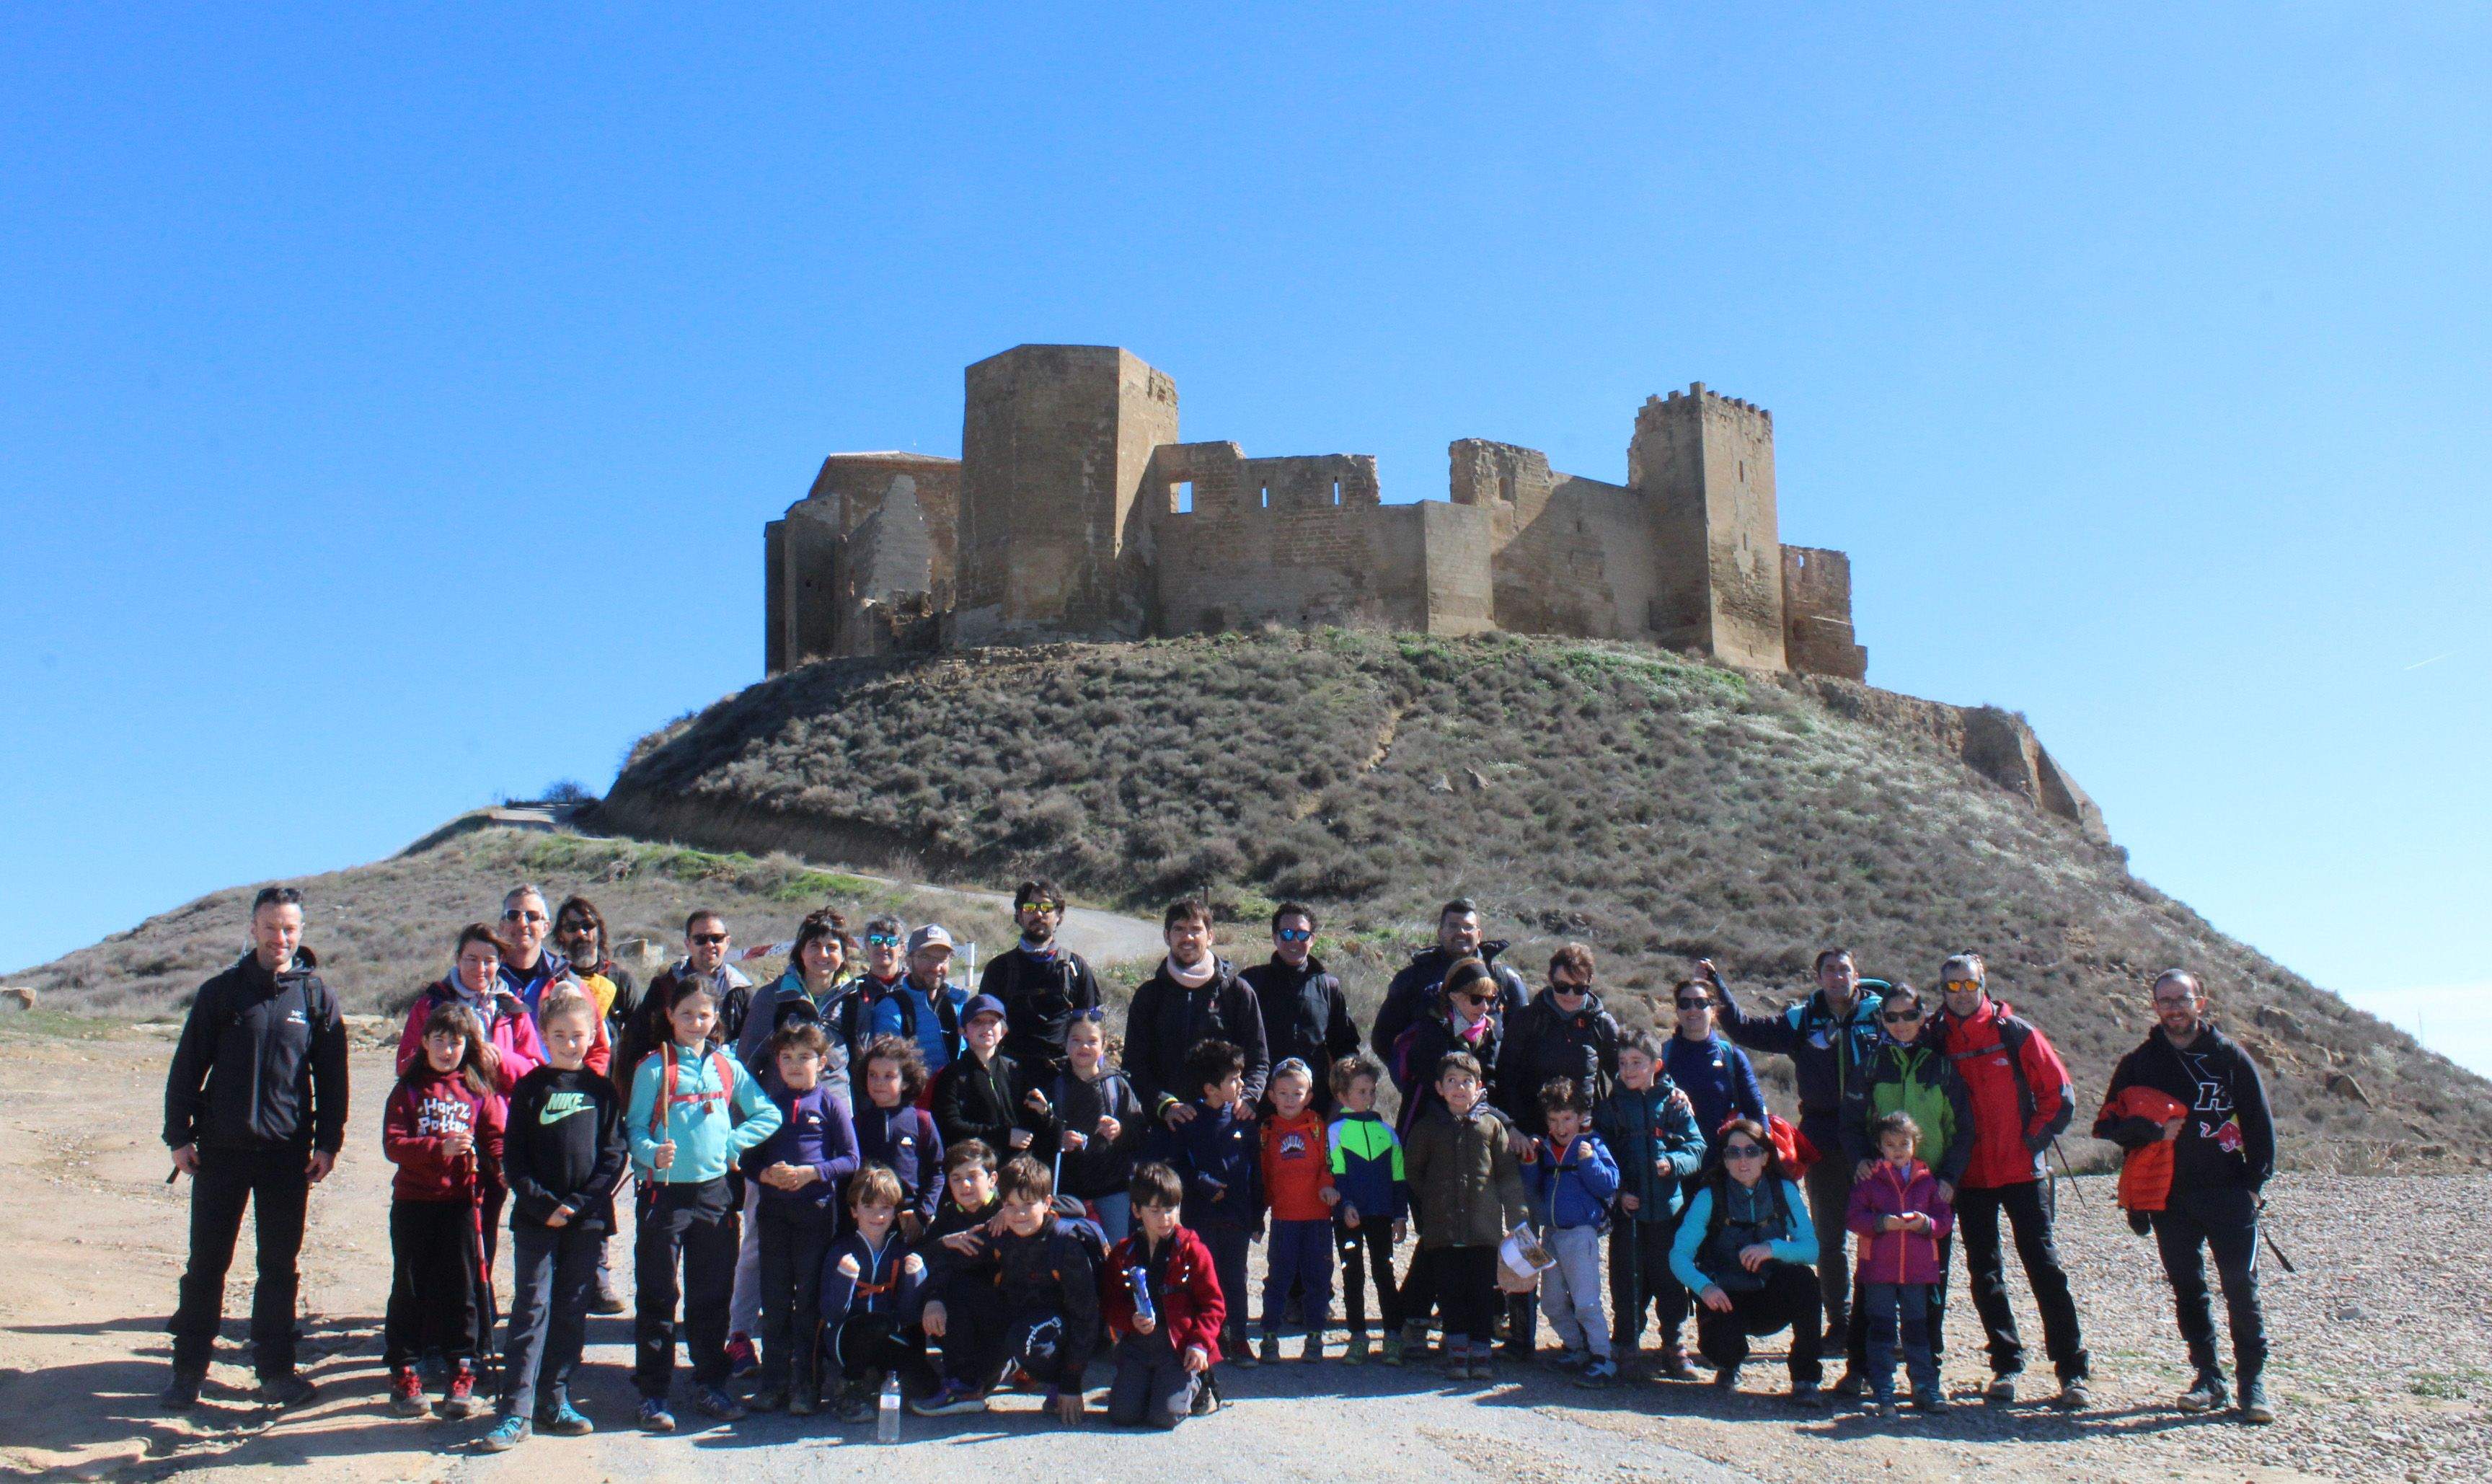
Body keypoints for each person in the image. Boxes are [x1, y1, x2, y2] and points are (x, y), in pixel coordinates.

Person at [160, 885, 348, 1410]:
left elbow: (333, 1080)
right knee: (206, 1264)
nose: (279, 937)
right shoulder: (221, 993)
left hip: (287, 1156)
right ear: (252, 929)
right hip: (220, 1152)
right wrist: (178, 1136)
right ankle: (188, 1371)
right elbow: (187, 1068)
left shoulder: (315, 998)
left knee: (278, 1266)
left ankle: (276, 1370)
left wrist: (328, 1143)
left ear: (301, 932)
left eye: (289, 928)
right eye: (270, 927)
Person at [2093, 969, 2276, 1425]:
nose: (2174, 1008)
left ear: (2202, 1001)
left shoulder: (2230, 1057)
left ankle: (2252, 1384)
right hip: (2168, 1195)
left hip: (2229, 1191)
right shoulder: (2140, 1062)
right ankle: (2208, 1377)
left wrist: (2255, 1185)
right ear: (2155, 1007)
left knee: (2241, 1287)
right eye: (2165, 1001)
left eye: (2182, 999)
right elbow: (2108, 1125)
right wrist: (2152, 1130)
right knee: (2188, 1288)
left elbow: (2259, 1123)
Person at [1710, 949, 1882, 1387]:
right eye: (1829, 970)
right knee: (1828, 1239)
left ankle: (1880, 1324)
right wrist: (1720, 992)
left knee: (1879, 1236)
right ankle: (1840, 1323)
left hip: (1876, 1137)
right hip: (1823, 1137)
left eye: (1844, 969)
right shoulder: (1804, 1018)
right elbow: (1747, 1029)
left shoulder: (1880, 1014)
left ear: (1856, 974)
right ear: (1819, 976)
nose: (1837, 977)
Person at [1931, 951, 2090, 1408]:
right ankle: (2006, 1363)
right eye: (1953, 986)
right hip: (1972, 1177)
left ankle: (2072, 1369)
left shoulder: (2015, 1033)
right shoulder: (1936, 1038)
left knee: (2045, 1268)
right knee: (1985, 1273)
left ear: (1984, 983)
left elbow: (2059, 1098)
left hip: (2023, 1172)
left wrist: (2030, 1144)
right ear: (1942, 991)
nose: (1962, 993)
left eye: (1969, 984)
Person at [624, 971, 782, 1431]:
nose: (696, 1021)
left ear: (717, 1019)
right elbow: (634, 1129)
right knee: (658, 1294)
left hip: (714, 1194)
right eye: (687, 1013)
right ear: (669, 1016)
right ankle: (653, 1393)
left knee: (710, 1295)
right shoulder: (653, 1067)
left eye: (705, 1014)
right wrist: (652, 1152)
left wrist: (733, 1144)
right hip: (664, 1193)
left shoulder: (726, 1066)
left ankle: (710, 1384)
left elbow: (766, 1113)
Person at [485, 984, 627, 1451]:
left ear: (593, 1037)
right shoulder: (531, 1087)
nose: (570, 1042)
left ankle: (555, 1398)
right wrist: (543, 1205)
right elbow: (515, 1158)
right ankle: (515, 1411)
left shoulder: (602, 1091)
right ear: (544, 1034)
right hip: (536, 1222)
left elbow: (613, 1156)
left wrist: (579, 1205)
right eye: (560, 1034)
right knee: (531, 1309)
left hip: (585, 1222)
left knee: (569, 1312)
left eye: (578, 1035)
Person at [1837, 981, 1972, 1379]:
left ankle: (1927, 1370)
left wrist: (1950, 1178)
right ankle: (1861, 1369)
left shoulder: (1942, 1067)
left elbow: (1962, 1129)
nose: (1901, 1024)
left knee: (1930, 1282)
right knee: (1871, 1280)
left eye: (1909, 1015)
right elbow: (1849, 1124)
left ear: (1922, 1016)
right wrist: (1862, 1160)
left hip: (1928, 1191)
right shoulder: (1871, 1066)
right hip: (1880, 1193)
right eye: (1891, 1017)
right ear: (1881, 1020)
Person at [381, 1000, 506, 1422]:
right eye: (440, 1041)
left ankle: (462, 1366)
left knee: (462, 1288)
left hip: (461, 1204)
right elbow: (394, 1144)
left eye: (456, 1042)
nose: (448, 1050)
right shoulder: (409, 1088)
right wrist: (439, 1149)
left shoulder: (477, 1089)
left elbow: (496, 1139)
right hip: (414, 1202)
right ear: (425, 1042)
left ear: (467, 1046)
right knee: (411, 1285)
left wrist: (502, 1170)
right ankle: (404, 1369)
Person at [393, 925, 539, 1278]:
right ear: (457, 959)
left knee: (485, 1220)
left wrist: (500, 1060)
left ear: (501, 963)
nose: (480, 968)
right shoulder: (432, 1003)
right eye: (471, 959)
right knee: (438, 1221)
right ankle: (433, 1302)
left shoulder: (512, 1007)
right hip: (443, 1126)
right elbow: (405, 1063)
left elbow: (536, 1069)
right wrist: (449, 1063)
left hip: (496, 1130)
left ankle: (477, 1294)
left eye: (489, 960)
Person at [913, 1155, 1103, 1420]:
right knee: (957, 1288)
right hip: (1016, 1314)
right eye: (1011, 1206)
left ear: (1047, 1204)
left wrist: (1071, 1381)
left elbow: (1086, 1316)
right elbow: (945, 1259)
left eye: (1028, 1205)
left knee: (1025, 1339)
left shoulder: (1065, 1244)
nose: (1020, 1214)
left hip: (1058, 1323)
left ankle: (1055, 1382)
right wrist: (934, 1298)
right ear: (1002, 1206)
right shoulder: (1001, 1229)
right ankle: (966, 1386)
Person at [741, 1022, 860, 1414]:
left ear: (822, 1063)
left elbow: (851, 1159)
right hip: (774, 1214)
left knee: (808, 1301)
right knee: (775, 1301)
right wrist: (764, 1174)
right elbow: (747, 1157)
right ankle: (773, 1383)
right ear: (777, 1062)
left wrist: (812, 1173)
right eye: (787, 1057)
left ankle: (805, 1386)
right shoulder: (768, 1104)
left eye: (805, 1057)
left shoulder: (830, 1104)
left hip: (816, 1214)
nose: (795, 1065)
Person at [1669, 1117, 1824, 1405]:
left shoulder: (1783, 1191)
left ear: (1766, 1157)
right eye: (1733, 1152)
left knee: (1805, 1282)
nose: (1743, 1160)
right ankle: (1728, 1366)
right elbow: (1679, 1257)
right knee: (1723, 1346)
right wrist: (1705, 1288)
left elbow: (1811, 1250)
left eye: (1751, 1151)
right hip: (1725, 1298)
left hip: (1770, 1296)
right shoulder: (1708, 1197)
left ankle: (1805, 1378)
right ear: (1724, 1160)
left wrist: (1772, 1248)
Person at [1402, 1050, 1529, 1382]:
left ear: (1479, 1087)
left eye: (1467, 1082)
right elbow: (1413, 1172)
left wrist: (1518, 1218)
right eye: (1452, 1082)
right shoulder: (1428, 1128)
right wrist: (1432, 1202)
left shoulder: (1492, 1127)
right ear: (1439, 1088)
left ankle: (1481, 1350)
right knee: (1450, 1292)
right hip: (1442, 1231)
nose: (1460, 1088)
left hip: (1483, 1231)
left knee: (1481, 1293)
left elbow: (1508, 1177)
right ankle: (1457, 1352)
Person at [1596, 1030, 1707, 1379]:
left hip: (1668, 1214)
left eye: (1637, 1063)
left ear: (1656, 1066)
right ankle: (1626, 1346)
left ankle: (1673, 1345)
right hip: (1628, 1215)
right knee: (1626, 1280)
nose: (1629, 1070)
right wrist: (1617, 1192)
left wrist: (1673, 1164)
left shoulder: (1673, 1103)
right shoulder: (1611, 1108)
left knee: (1671, 1280)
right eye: (1623, 1063)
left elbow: (1697, 1147)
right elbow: (1600, 1156)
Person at [1149, 1038, 1263, 1369]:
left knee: (1235, 1277)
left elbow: (1256, 1171)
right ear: (1211, 1088)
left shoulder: (1244, 1120)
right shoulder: (1189, 1121)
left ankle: (1238, 1338)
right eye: (1233, 1079)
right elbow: (1174, 1165)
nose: (1242, 1084)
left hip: (1237, 1216)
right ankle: (1205, 1340)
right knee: (1202, 1279)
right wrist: (1201, 1182)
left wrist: (1257, 1214)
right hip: (1200, 1217)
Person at [554, 893, 636, 1314]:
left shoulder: (619, 980)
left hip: (609, 1100)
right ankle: (557, 1278)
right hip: (559, 1098)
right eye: (571, 927)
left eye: (588, 925)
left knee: (600, 1183)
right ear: (559, 935)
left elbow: (639, 1039)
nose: (581, 934)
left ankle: (597, 1275)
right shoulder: (553, 979)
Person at [1102, 1162, 1227, 1427]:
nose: (1165, 1218)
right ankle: (1151, 1387)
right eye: (1155, 1211)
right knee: (1123, 1415)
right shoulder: (1123, 1253)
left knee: (1164, 1418)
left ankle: (1197, 1384)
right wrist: (1129, 1320)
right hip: (1138, 1347)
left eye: (1171, 1210)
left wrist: (1200, 1343)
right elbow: (1110, 1303)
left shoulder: (1193, 1251)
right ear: (1137, 1211)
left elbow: (1213, 1306)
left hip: (1179, 1348)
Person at [1845, 1110, 1953, 1416]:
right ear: (1880, 1146)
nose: (1898, 1150)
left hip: (1918, 1272)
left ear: (1914, 1144)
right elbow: (1854, 1218)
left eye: (1904, 1143)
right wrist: (1881, 1223)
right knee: (1881, 1330)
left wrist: (1925, 1224)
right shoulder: (1870, 1180)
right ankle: (1882, 1388)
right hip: (1879, 1269)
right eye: (1890, 1144)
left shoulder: (1927, 1180)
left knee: (1918, 1330)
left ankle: (1924, 1386)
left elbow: (1944, 1220)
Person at [1127, 899, 1272, 1126]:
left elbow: (1259, 1059)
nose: (1188, 938)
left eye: (1196, 930)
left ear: (1211, 936)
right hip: (1167, 1125)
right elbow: (1135, 1065)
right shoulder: (1149, 995)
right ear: (1167, 936)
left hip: (1225, 1123)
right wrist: (1164, 1104)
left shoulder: (1237, 991)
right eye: (1179, 930)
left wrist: (1247, 1097)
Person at [819, 1163, 936, 1422]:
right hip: (846, 1338)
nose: (877, 1215)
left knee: (928, 1385)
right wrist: (845, 1279)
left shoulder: (900, 1250)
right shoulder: (842, 1249)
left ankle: (877, 1383)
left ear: (895, 1212)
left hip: (886, 1333)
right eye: (868, 1207)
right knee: (876, 1326)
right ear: (853, 1211)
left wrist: (916, 1277)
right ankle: (848, 1389)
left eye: (885, 1208)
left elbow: (908, 1315)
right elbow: (831, 1313)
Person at [1526, 1077, 1622, 1384]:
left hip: (1581, 1235)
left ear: (1581, 1118)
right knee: (1552, 1302)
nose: (1561, 1127)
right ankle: (1576, 1346)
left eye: (1567, 1118)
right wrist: (1529, 1162)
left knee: (1586, 1301)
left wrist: (1589, 1162)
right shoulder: (1546, 1149)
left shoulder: (1591, 1145)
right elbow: (1533, 1189)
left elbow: (1609, 1183)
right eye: (1553, 1120)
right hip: (1550, 1234)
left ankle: (1602, 1357)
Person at [1022, 1007, 1146, 1241]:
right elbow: (1038, 1141)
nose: (1084, 1047)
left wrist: (1120, 1131)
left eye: (1092, 1041)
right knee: (1073, 1258)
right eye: (1076, 1040)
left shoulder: (1117, 1084)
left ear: (1104, 1044)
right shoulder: (1054, 1087)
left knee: (1116, 1255)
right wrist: (1060, 1140)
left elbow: (1140, 1131)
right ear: (1066, 1043)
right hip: (1068, 1192)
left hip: (1113, 1188)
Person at [1369, 898, 1528, 1072]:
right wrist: (1412, 1079)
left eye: (1468, 927)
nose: (1461, 932)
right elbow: (1382, 1039)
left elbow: (1525, 1042)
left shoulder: (1505, 980)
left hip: (1492, 1092)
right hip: (1431, 1093)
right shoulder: (1412, 980)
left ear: (1479, 934)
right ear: (1440, 933)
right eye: (1453, 926)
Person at [1327, 1054, 1409, 1366]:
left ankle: (1393, 1337)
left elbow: (1399, 1177)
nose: (1370, 1097)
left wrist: (1400, 1215)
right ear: (1342, 1096)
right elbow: (1337, 1173)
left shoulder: (1387, 1132)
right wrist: (1346, 1204)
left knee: (1384, 1272)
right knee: (1353, 1275)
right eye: (1362, 1092)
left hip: (1381, 1214)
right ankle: (1358, 1337)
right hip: (1348, 1215)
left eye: (1372, 1090)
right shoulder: (1335, 1132)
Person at [1243, 903, 1360, 1117]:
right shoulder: (1250, 982)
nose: (1294, 941)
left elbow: (1345, 1047)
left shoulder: (1328, 986)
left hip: (1315, 1105)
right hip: (1261, 1105)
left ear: (1312, 939)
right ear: (1275, 937)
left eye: (1302, 934)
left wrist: (1341, 1097)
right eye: (1286, 933)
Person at [1258, 1057, 1338, 1363]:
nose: (1291, 1099)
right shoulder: (1267, 1131)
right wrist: (1258, 1214)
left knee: (1318, 1279)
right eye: (1284, 1093)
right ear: (1272, 1096)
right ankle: (1269, 1336)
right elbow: (1264, 1175)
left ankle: (1314, 1336)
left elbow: (1328, 1163)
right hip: (1284, 1220)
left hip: (1317, 1219)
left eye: (1298, 1093)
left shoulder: (1318, 1127)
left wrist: (1327, 1184)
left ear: (1309, 1096)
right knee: (1278, 1278)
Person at [978, 878, 1103, 1077]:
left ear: (1059, 916)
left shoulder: (1075, 967)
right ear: (1019, 915)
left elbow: (1093, 1028)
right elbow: (983, 1029)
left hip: (1064, 1079)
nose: (1038, 914)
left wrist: (1094, 1080)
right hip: (1010, 1078)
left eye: (1046, 907)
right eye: (1029, 908)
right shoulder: (999, 969)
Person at [1499, 944, 1622, 1132]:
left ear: (1590, 982)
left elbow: (1625, 1073)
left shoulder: (1601, 1024)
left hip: (1584, 1132)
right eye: (1562, 987)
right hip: (1533, 1133)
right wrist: (1516, 1125)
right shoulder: (1528, 1019)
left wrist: (1666, 1089)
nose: (1570, 995)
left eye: (1580, 988)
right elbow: (1506, 1076)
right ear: (1550, 980)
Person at [738, 909, 857, 1100]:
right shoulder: (773, 998)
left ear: (844, 955)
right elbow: (747, 1063)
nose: (823, 954)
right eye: (814, 946)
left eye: (832, 947)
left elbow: (862, 1067)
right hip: (782, 1116)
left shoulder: (855, 1001)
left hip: (834, 1118)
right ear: (801, 952)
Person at [834, 919, 968, 1079]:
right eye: (926, 957)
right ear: (910, 959)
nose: (935, 965)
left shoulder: (958, 1003)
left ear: (902, 949)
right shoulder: (858, 997)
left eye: (942, 958)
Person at [1393, 956, 1510, 1136]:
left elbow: (1491, 1079)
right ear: (1454, 995)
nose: (1484, 1006)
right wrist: (1504, 1122)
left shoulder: (1488, 1031)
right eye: (1476, 999)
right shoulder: (1432, 1030)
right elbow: (1438, 1089)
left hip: (1473, 1125)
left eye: (1490, 999)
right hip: (1427, 1127)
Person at [851, 1035, 944, 1243]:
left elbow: (938, 1171)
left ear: (906, 1082)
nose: (879, 1082)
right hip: (869, 1221)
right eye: (873, 1075)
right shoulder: (857, 1124)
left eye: (889, 1076)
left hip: (909, 1220)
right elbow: (849, 1177)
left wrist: (923, 1214)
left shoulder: (922, 1121)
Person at [1661, 976, 1767, 1144]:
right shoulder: (1662, 1056)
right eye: (1685, 1003)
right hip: (1674, 1160)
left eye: (1701, 1003)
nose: (1692, 1009)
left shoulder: (1731, 1057)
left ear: (1713, 1010)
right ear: (1677, 1010)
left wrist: (1762, 1152)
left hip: (1722, 1162)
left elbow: (1755, 1112)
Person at [932, 994, 1031, 1158]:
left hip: (1015, 1167)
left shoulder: (1015, 1070)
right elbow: (950, 1126)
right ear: (963, 1031)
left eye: (992, 1022)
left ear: (1004, 1030)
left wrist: (1045, 1115)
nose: (986, 1028)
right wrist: (1004, 1136)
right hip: (974, 1165)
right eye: (977, 1021)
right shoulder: (952, 1075)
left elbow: (1030, 1119)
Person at [496, 885, 568, 1014]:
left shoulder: (564, 976)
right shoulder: (485, 975)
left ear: (546, 928)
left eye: (533, 916)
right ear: (502, 927)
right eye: (513, 915)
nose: (523, 923)